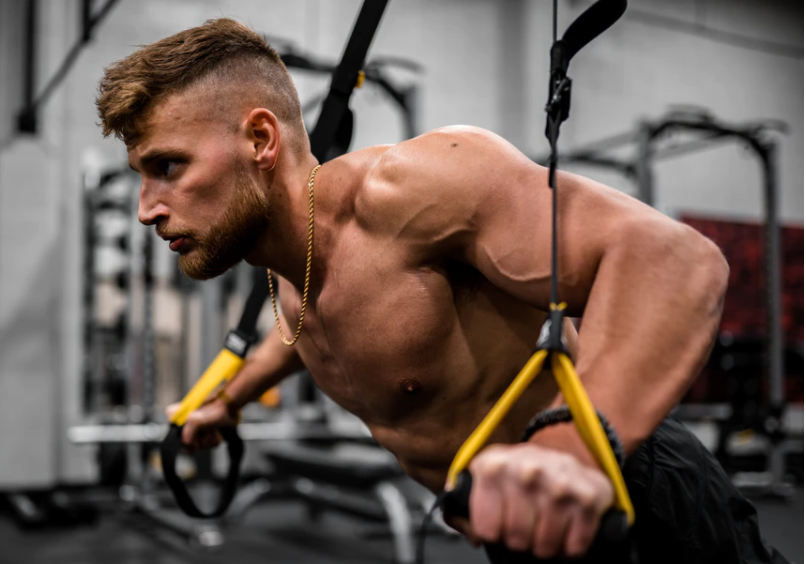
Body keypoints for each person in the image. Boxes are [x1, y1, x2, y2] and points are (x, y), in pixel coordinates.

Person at [96, 18, 787, 563]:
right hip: (518, 527)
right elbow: (307, 334)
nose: (146, 207)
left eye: (167, 167)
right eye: (141, 175)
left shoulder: (414, 190)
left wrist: (578, 450)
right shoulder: (288, 262)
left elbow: (677, 259)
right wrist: (230, 400)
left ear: (260, 138)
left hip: (626, 488)